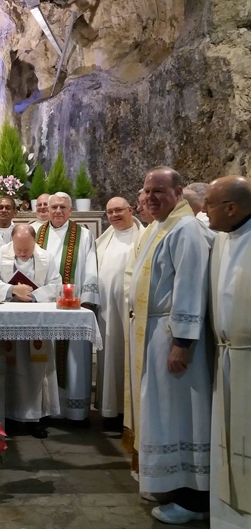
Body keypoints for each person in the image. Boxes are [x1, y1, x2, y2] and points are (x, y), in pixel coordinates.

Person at [124, 167, 213, 525]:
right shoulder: (160, 227)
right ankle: (169, 483)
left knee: (181, 417)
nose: (150, 197)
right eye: (146, 191)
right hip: (155, 330)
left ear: (178, 192)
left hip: (172, 336)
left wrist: (183, 342)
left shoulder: (186, 228)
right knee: (162, 413)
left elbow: (190, 286)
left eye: (159, 190)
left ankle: (192, 498)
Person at [205, 175, 251, 529]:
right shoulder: (220, 241)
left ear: (231, 208)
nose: (204, 211)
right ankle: (226, 514)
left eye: (210, 204)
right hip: (226, 355)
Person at [0, 224, 61, 438]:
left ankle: (37, 418)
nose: (22, 253)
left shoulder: (46, 257)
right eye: (18, 248)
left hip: (37, 319)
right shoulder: (1, 254)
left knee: (38, 369)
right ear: (12, 242)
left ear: (34, 242)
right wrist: (12, 290)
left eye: (27, 248)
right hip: (10, 318)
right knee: (11, 366)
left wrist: (35, 295)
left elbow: (56, 284)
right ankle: (9, 416)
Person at [36, 192, 99, 425]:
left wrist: (88, 299)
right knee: (43, 358)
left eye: (63, 207)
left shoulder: (83, 235)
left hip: (72, 308)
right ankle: (46, 408)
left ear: (71, 211)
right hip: (42, 307)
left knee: (73, 359)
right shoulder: (37, 232)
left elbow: (91, 266)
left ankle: (73, 411)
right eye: (54, 207)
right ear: (47, 209)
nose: (58, 211)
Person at [95, 197, 141, 431]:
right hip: (107, 312)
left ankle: (131, 414)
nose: (114, 215)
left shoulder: (142, 237)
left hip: (131, 313)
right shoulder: (104, 239)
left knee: (129, 358)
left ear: (130, 210)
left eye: (119, 210)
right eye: (110, 212)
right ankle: (111, 411)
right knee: (109, 359)